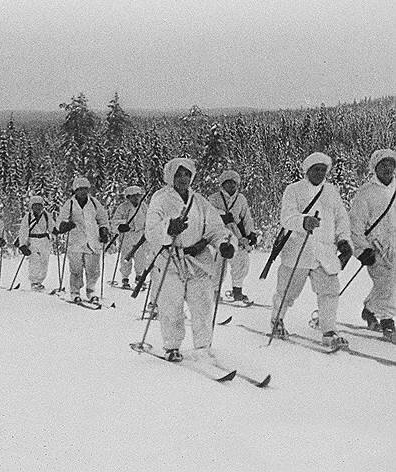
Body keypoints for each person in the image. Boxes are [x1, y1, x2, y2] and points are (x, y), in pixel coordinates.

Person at [145, 158, 234, 362]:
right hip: (169, 259)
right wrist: (168, 228)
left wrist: (224, 244)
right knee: (171, 305)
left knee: (202, 304)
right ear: (170, 176)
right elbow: (151, 231)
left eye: (186, 174)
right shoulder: (160, 199)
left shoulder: (200, 201)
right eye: (178, 174)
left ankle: (203, 345)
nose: (183, 178)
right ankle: (172, 346)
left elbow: (216, 228)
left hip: (197, 259)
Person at [269, 152, 352, 349]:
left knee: (330, 291)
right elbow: (286, 218)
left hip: (324, 252)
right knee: (288, 291)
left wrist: (343, 240)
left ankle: (329, 330)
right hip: (298, 250)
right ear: (307, 170)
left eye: (324, 170)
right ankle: (277, 320)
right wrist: (303, 221)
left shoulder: (332, 192)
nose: (320, 173)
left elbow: (341, 219)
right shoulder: (294, 190)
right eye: (316, 169)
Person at [350, 148, 396, 341]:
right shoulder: (366, 193)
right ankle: (388, 322)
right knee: (387, 283)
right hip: (376, 247)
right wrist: (361, 250)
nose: (387, 168)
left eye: (391, 164)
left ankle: (369, 310)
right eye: (383, 164)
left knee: (389, 283)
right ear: (375, 168)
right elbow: (356, 224)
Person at [56, 177, 110, 303]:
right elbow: (61, 220)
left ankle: (91, 291)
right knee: (76, 269)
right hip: (76, 241)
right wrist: (65, 225)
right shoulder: (69, 204)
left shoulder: (95, 203)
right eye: (80, 189)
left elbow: (103, 219)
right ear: (75, 190)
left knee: (93, 269)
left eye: (85, 189)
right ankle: (75, 292)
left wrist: (104, 230)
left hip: (92, 240)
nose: (83, 192)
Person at [207, 170, 258, 303]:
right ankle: (214, 292)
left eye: (233, 183)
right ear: (222, 184)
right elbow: (208, 215)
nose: (231, 186)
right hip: (219, 235)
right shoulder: (214, 198)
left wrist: (250, 233)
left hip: (236, 235)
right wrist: (221, 216)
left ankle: (237, 291)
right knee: (217, 264)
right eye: (227, 183)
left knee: (241, 262)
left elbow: (246, 217)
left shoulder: (240, 199)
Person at [112, 185, 149, 289]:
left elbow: (149, 220)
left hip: (140, 235)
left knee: (140, 258)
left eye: (138, 195)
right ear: (128, 197)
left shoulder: (144, 207)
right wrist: (120, 227)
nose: (136, 198)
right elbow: (115, 222)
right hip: (127, 236)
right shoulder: (123, 207)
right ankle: (125, 278)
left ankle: (139, 277)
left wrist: (148, 232)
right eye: (133, 196)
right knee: (125, 257)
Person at [17, 196, 54, 291]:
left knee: (44, 262)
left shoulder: (46, 215)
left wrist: (57, 231)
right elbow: (23, 231)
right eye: (35, 205)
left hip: (44, 241)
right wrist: (23, 245)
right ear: (31, 206)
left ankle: (40, 281)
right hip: (32, 240)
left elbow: (52, 228)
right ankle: (34, 282)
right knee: (34, 261)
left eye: (39, 205)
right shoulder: (28, 217)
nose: (38, 207)